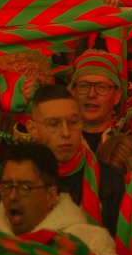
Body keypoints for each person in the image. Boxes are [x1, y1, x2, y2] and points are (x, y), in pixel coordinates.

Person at [27, 82, 126, 229]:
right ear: (32, 129)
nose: (66, 132)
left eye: (73, 122)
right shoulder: (19, 180)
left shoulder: (110, 182)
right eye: (54, 124)